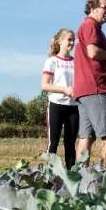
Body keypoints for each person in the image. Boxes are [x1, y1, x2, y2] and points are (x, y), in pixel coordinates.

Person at [73, 0, 106, 166]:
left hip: (83, 90)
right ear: (93, 7)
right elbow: (93, 52)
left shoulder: (85, 27)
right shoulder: (90, 26)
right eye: (105, 7)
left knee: (85, 137)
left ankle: (79, 178)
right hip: (96, 88)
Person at [42, 28, 79, 169]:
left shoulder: (76, 62)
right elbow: (45, 85)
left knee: (70, 144)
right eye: (69, 39)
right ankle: (48, 175)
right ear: (60, 41)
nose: (72, 42)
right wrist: (64, 89)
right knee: (53, 143)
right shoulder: (51, 61)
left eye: (73, 39)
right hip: (56, 105)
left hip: (73, 107)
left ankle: (71, 176)